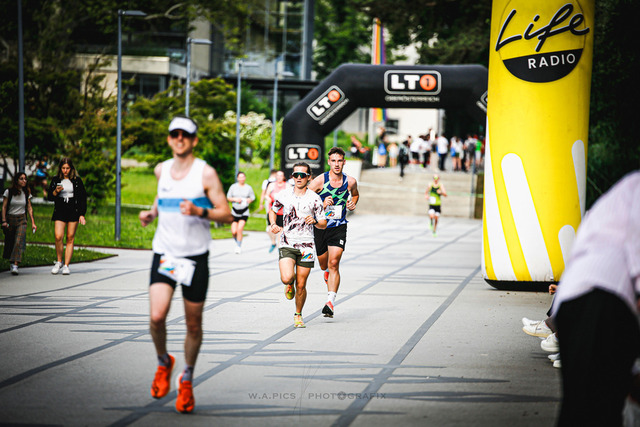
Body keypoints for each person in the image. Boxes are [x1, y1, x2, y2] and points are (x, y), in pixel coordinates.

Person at [138, 116, 233, 414]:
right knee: (157, 317)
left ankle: (187, 378)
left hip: (194, 257)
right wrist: (152, 213)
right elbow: (162, 196)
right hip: (165, 254)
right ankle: (164, 362)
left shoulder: (205, 173)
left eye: (185, 134)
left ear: (193, 140)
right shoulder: (161, 169)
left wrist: (198, 211)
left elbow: (226, 213)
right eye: (174, 134)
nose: (179, 138)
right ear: (169, 139)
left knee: (193, 324)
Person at [550, 171, 640, 427]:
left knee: (584, 403)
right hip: (603, 296)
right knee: (594, 408)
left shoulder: (624, 190)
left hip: (577, 295)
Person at [269, 163, 327, 328]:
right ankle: (289, 285)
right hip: (287, 243)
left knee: (301, 285)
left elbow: (323, 223)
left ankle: (298, 314)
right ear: (292, 177)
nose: (299, 178)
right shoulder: (284, 194)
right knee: (287, 278)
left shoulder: (314, 198)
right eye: (296, 175)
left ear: (309, 177)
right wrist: (273, 223)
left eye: (303, 175)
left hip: (307, 246)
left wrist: (315, 221)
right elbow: (273, 210)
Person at [308, 147, 359, 318]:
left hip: (339, 226)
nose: (337, 164)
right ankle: (326, 273)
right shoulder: (319, 181)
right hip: (321, 226)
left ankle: (330, 302)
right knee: (324, 265)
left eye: (340, 161)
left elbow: (355, 195)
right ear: (329, 162)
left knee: (334, 262)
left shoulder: (350, 181)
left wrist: (353, 203)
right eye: (334, 161)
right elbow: (306, 201)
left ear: (344, 162)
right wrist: (322, 204)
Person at [47, 157, 87, 275]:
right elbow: (50, 197)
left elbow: (82, 198)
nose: (65, 170)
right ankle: (59, 261)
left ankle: (66, 265)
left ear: (71, 168)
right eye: (63, 168)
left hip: (73, 210)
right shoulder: (56, 180)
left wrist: (82, 214)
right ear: (60, 168)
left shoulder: (76, 181)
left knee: (70, 237)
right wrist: (56, 191)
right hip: (60, 210)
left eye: (67, 168)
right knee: (58, 236)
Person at [2, 172, 37, 275]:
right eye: (21, 179)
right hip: (10, 219)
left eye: (25, 179)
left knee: (18, 241)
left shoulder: (26, 192)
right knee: (11, 242)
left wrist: (33, 222)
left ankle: (15, 264)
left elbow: (29, 207)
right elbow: (4, 207)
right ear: (16, 180)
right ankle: (12, 261)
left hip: (22, 219)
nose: (24, 181)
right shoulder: (9, 192)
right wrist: (4, 221)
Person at [227, 171, 256, 254]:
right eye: (240, 177)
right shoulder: (233, 187)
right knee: (234, 231)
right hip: (235, 211)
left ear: (245, 178)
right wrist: (235, 199)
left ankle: (238, 246)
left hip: (244, 211)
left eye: (243, 177)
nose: (242, 179)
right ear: (237, 178)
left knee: (240, 229)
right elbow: (228, 197)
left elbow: (252, 197)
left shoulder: (248, 188)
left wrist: (249, 200)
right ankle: (237, 241)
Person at [265, 170, 289, 252]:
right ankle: (273, 242)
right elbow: (266, 195)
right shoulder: (271, 185)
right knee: (270, 228)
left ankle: (279, 245)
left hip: (282, 211)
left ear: (283, 177)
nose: (279, 177)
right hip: (272, 210)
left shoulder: (287, 185)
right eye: (278, 175)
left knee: (281, 229)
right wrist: (268, 198)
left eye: (281, 175)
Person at [259, 169, 277, 252]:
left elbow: (262, 193)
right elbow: (264, 193)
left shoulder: (266, 182)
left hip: (271, 204)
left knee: (270, 222)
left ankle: (274, 241)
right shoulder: (268, 182)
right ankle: (274, 241)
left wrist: (261, 203)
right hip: (270, 203)